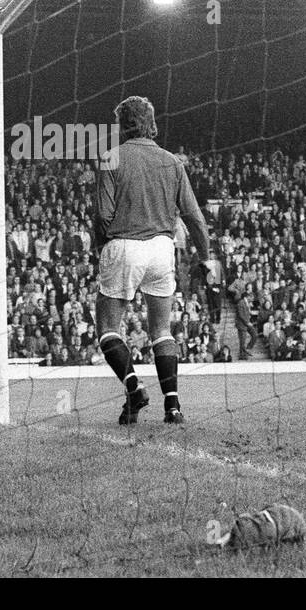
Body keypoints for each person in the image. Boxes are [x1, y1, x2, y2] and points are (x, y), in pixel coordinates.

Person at [94, 96, 214, 425]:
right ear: (151, 122)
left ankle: (134, 389)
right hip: (163, 248)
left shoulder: (111, 158)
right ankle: (172, 407)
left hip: (124, 243)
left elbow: (103, 215)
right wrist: (205, 260)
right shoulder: (172, 162)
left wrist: (100, 252)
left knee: (107, 328)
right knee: (161, 330)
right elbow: (194, 218)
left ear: (123, 125)